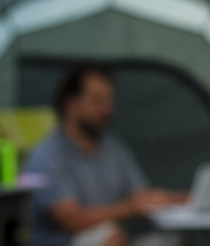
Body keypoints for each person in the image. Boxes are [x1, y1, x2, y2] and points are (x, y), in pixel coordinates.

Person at [26, 65, 187, 246]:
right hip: (68, 241)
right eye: (97, 100)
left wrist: (171, 199)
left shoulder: (113, 147)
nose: (107, 109)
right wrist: (129, 208)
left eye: (109, 100)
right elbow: (72, 221)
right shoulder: (46, 156)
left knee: (171, 241)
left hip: (119, 237)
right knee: (110, 236)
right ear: (71, 105)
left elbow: (138, 194)